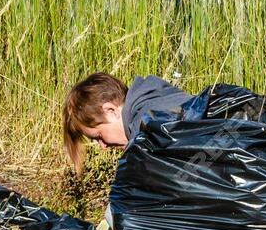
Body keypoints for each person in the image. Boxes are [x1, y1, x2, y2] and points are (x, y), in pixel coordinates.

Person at [62, 72, 192, 171]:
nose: (103, 146)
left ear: (111, 110)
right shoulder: (163, 99)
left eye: (98, 136)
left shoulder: (147, 127)